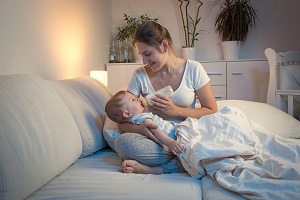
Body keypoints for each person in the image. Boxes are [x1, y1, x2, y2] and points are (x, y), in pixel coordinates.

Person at [114, 21, 218, 175]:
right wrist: (140, 129)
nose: (144, 61)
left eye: (147, 54)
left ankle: (161, 166)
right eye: (142, 55)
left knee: (207, 141)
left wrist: (176, 111)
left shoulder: (193, 69)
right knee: (122, 143)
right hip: (157, 140)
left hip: (186, 135)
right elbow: (123, 120)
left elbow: (211, 110)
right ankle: (186, 159)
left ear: (163, 45)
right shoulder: (139, 75)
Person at [105, 90, 184, 155]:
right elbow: (154, 129)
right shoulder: (141, 117)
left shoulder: (134, 121)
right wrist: (170, 142)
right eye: (133, 100)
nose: (138, 99)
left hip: (174, 131)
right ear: (127, 113)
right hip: (174, 133)